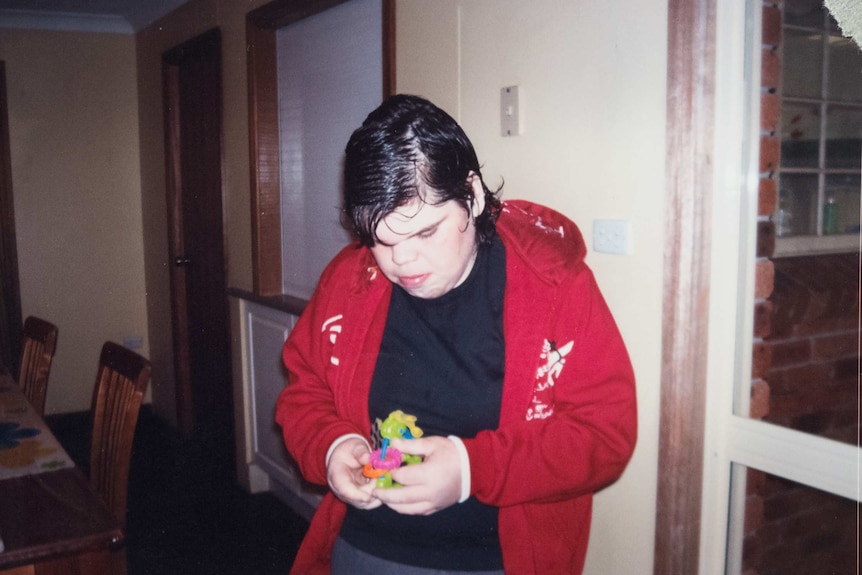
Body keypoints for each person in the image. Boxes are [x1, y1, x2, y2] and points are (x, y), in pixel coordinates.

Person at [276, 94, 637, 574]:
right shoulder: (348, 279)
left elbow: (605, 434)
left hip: (493, 561)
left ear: (473, 195)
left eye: (425, 233)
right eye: (380, 240)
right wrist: (333, 447)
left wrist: (471, 471)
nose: (401, 261)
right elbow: (305, 393)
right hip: (363, 550)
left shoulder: (554, 285)